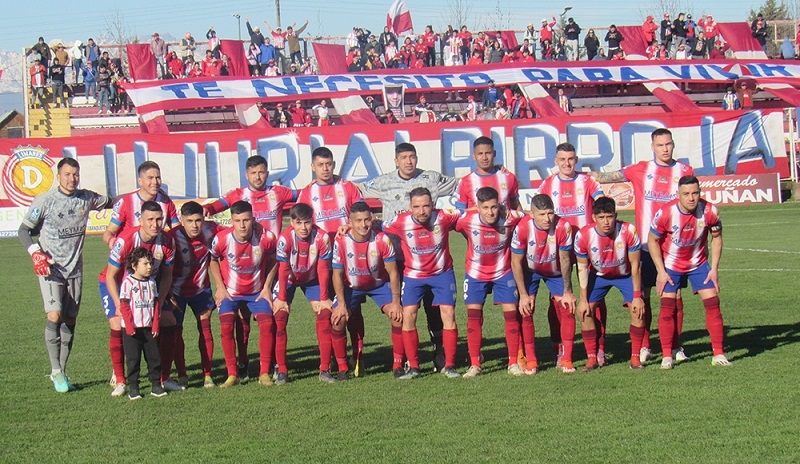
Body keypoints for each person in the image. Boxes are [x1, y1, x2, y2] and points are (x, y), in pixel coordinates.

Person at [590, 128, 694, 364]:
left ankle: (676, 346)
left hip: (675, 246)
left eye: (668, 144)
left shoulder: (685, 171)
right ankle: (645, 344)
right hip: (647, 245)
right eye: (660, 145)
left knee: (674, 296)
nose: (665, 149)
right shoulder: (641, 169)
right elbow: (608, 176)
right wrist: (580, 173)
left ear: (673, 144)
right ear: (653, 147)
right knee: (643, 296)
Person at [18, 158, 112, 392]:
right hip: (50, 268)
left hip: (75, 270)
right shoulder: (46, 200)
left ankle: (61, 370)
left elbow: (113, 201)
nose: (72, 179)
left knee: (70, 320)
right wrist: (35, 252)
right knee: (54, 315)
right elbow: (24, 230)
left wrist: (141, 194)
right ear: (58, 176)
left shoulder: (86, 198)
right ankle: (56, 370)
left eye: (75, 174)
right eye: (67, 174)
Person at [648, 175, 731, 369]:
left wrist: (715, 269)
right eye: (686, 194)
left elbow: (717, 238)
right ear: (678, 195)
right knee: (668, 307)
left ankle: (718, 353)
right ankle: (667, 355)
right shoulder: (666, 212)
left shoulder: (710, 211)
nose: (691, 198)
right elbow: (652, 240)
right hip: (671, 265)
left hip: (698, 265)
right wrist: (660, 271)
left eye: (695, 193)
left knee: (713, 303)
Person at [383, 188, 461, 379]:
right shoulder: (400, 221)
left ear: (433, 205)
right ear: (410, 207)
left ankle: (449, 365)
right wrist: (347, 228)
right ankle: (414, 367)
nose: (422, 211)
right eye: (417, 207)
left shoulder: (444, 217)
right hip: (413, 276)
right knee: (408, 315)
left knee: (448, 314)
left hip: (442, 274)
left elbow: (470, 212)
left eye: (426, 206)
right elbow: (376, 224)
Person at [99, 201, 175, 397]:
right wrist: (118, 305)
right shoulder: (126, 239)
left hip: (147, 288)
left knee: (168, 321)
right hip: (116, 285)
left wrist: (161, 301)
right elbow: (110, 276)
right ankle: (120, 380)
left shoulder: (167, 241)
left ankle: (162, 378)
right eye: (150, 219)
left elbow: (167, 275)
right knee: (118, 323)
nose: (155, 224)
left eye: (159, 219)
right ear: (141, 220)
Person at [455, 187, 526, 377]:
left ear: (500, 206)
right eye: (485, 208)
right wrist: (470, 210)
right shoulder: (467, 220)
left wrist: (509, 210)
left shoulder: (510, 218)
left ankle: (513, 362)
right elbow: (453, 220)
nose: (490, 212)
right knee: (473, 318)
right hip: (475, 274)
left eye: (494, 207)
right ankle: (475, 364)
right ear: (478, 207)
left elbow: (525, 216)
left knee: (511, 316)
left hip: (503, 272)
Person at [209, 201, 278, 387]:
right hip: (230, 293)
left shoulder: (266, 238)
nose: (242, 225)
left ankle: (264, 373)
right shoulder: (222, 239)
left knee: (267, 324)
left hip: (256, 293)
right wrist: (220, 287)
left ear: (253, 219)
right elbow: (213, 260)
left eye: (246, 220)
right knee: (226, 326)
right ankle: (232, 374)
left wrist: (267, 288)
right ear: (231, 220)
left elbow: (274, 260)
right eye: (237, 220)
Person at [332, 202, 404, 377]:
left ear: (372, 219)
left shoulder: (382, 240)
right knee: (338, 319)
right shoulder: (341, 240)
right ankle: (343, 367)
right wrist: (341, 304)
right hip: (352, 287)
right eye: (358, 221)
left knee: (397, 317)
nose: (363, 225)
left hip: (378, 285)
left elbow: (393, 273)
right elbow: (337, 275)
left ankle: (398, 364)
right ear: (350, 221)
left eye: (366, 220)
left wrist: (396, 302)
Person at [574, 197, 646, 370]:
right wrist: (583, 299)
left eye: (609, 216)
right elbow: (582, 269)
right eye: (601, 217)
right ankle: (592, 358)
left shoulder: (629, 231)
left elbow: (636, 266)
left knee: (638, 311)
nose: (606, 222)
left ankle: (635, 358)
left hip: (625, 275)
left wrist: (637, 296)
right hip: (598, 276)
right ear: (593, 217)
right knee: (585, 312)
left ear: (616, 215)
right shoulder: (583, 235)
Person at [273, 203, 342, 383]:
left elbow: (323, 269)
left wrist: (324, 297)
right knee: (279, 316)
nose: (303, 228)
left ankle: (325, 369)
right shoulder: (284, 239)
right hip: (289, 279)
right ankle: (281, 370)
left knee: (325, 313)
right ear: (292, 222)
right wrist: (281, 299)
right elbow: (283, 269)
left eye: (307, 223)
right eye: (298, 223)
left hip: (312, 278)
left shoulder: (322, 237)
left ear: (312, 222)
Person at [511, 194, 577, 374]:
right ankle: (531, 360)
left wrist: (567, 291)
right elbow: (516, 262)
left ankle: (567, 359)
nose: (547, 219)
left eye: (550, 213)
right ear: (532, 214)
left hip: (555, 272)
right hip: (530, 272)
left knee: (568, 307)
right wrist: (523, 295)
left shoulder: (563, 227)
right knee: (525, 309)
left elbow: (565, 260)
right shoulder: (523, 227)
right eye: (541, 214)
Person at [167, 201, 220, 388]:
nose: (195, 225)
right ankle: (182, 374)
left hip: (200, 290)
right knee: (176, 333)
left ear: (203, 219)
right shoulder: (171, 238)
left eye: (198, 220)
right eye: (189, 221)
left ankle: (208, 375)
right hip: (177, 293)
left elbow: (234, 229)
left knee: (205, 328)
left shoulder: (211, 230)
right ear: (181, 220)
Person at [119, 247, 165, 399]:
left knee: (154, 357)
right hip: (132, 329)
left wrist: (156, 324)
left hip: (149, 327)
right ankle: (133, 387)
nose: (149, 267)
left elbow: (156, 304)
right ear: (134, 266)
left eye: (150, 263)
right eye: (145, 264)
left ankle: (156, 385)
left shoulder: (152, 282)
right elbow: (124, 306)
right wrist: (129, 326)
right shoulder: (128, 283)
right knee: (133, 359)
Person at [102, 161, 179, 247]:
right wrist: (112, 241)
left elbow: (177, 231)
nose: (155, 182)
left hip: (155, 254)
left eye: (158, 178)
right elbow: (109, 232)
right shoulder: (126, 202)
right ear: (140, 181)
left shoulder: (166, 202)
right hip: (131, 254)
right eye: (150, 178)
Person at [455, 136, 519, 210]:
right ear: (474, 156)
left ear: (494, 153)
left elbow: (517, 208)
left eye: (488, 153)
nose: (484, 157)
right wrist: (472, 210)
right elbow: (458, 214)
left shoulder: (509, 177)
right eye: (480, 154)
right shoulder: (464, 182)